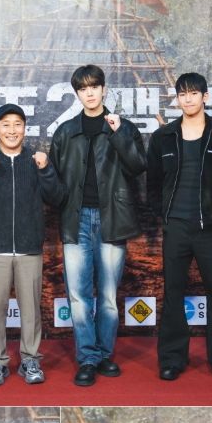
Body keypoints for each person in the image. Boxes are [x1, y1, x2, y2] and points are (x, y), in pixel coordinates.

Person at [49, 64, 147, 387]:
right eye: (83, 88)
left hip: (112, 218)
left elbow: (138, 166)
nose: (89, 93)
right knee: (78, 295)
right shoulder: (65, 132)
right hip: (75, 220)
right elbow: (54, 182)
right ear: (77, 93)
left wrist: (118, 134)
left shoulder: (123, 127)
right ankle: (88, 358)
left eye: (94, 87)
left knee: (107, 295)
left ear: (104, 89)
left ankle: (104, 354)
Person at [147, 72, 212, 384]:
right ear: (177, 98)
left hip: (210, 229)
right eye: (183, 94)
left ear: (205, 96)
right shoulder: (163, 137)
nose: (188, 99)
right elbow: (152, 183)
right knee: (172, 294)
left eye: (193, 93)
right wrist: (164, 216)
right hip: (176, 227)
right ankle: (172, 359)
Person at [0, 103, 64, 386]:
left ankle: (30, 359)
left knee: (30, 310)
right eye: (6, 125)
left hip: (29, 247)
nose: (12, 130)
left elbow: (57, 197)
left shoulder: (36, 159)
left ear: (25, 128)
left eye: (17, 124)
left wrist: (46, 170)